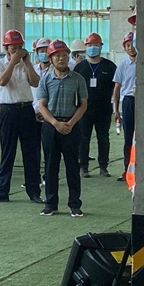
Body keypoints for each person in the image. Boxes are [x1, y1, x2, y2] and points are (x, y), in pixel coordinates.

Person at [0, 30, 43, 204]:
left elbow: (35, 82)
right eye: (13, 47)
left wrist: (27, 63)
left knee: (31, 152)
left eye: (20, 47)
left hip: (26, 109)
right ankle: (2, 191)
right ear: (6, 48)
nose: (17, 50)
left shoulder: (27, 64)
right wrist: (13, 62)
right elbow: (2, 82)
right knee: (8, 151)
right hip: (7, 110)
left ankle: (34, 191)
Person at [37, 40, 88, 217]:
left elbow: (83, 105)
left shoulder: (78, 79)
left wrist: (71, 123)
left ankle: (74, 204)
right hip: (51, 127)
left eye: (64, 55)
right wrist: (55, 123)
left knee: (72, 166)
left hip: (71, 126)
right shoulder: (45, 79)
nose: (61, 58)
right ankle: (51, 204)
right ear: (50, 58)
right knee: (51, 166)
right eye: (57, 55)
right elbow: (42, 106)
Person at [74, 32, 117, 178]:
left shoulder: (110, 66)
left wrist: (114, 106)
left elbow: (115, 88)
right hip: (83, 110)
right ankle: (83, 167)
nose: (93, 48)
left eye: (96, 45)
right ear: (86, 47)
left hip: (103, 109)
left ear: (101, 47)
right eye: (90, 45)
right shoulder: (80, 68)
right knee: (83, 138)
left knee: (103, 138)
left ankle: (103, 166)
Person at [113, 32, 137, 182]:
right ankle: (127, 169)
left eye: (132, 44)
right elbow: (117, 88)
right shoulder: (122, 66)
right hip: (129, 102)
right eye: (127, 45)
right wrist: (116, 110)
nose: (130, 48)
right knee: (128, 136)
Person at [31, 38, 53, 185]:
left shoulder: (56, 71)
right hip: (33, 115)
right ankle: (34, 178)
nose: (44, 53)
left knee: (49, 149)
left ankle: (48, 177)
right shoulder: (31, 69)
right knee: (33, 149)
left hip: (50, 115)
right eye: (41, 51)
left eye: (46, 51)